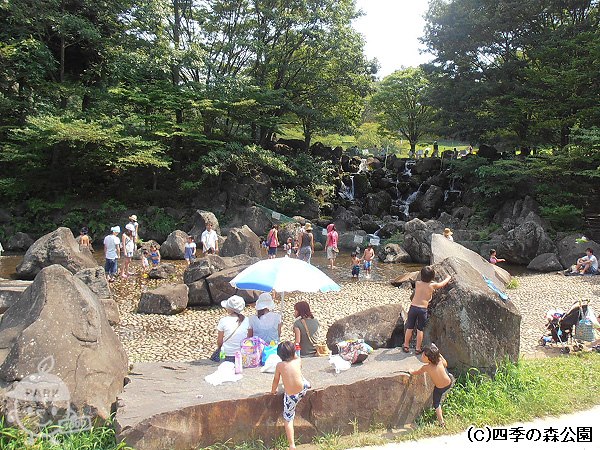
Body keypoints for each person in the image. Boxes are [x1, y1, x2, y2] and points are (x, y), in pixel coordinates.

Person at [270, 341, 311, 450]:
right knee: (302, 379)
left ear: (279, 356)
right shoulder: (298, 360)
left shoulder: (279, 366)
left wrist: (273, 391)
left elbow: (275, 380)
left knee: (288, 418)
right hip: (303, 390)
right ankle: (308, 384)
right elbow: (298, 366)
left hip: (292, 397)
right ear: (293, 353)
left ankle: (292, 445)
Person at [403, 266, 451, 354]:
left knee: (409, 328)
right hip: (422, 309)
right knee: (420, 329)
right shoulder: (432, 285)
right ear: (432, 277)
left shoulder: (417, 283)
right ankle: (418, 348)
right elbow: (442, 284)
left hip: (413, 308)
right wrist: (448, 278)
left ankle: (406, 345)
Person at [410, 344, 452, 427]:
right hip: (448, 383)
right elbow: (445, 364)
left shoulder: (426, 367)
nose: (422, 356)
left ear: (429, 358)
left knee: (436, 403)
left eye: (423, 355)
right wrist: (439, 354)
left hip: (439, 388)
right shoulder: (439, 360)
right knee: (444, 371)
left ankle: (441, 422)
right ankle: (441, 423)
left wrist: (411, 371)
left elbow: (416, 372)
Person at [216, 295, 250, 362]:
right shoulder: (247, 320)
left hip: (227, 354)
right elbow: (248, 338)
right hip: (242, 355)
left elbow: (220, 341)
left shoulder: (223, 320)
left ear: (228, 308)